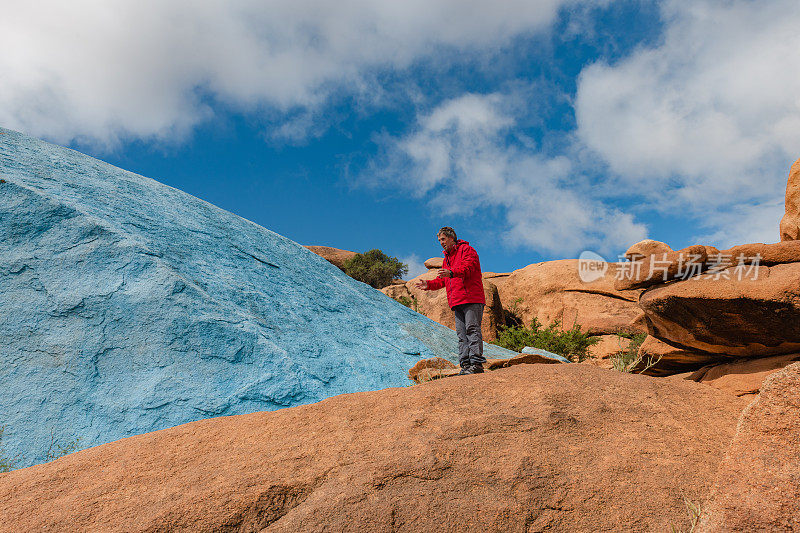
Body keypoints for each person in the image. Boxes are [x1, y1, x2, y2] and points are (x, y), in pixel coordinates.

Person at [415, 227, 486, 375]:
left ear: (451, 238)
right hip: (456, 301)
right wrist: (428, 285)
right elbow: (442, 281)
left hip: (471, 298)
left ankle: (476, 365)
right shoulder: (446, 259)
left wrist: (452, 272)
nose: (441, 243)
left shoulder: (467, 250)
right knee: (461, 335)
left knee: (472, 330)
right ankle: (465, 364)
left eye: (443, 239)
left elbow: (469, 268)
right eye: (439, 240)